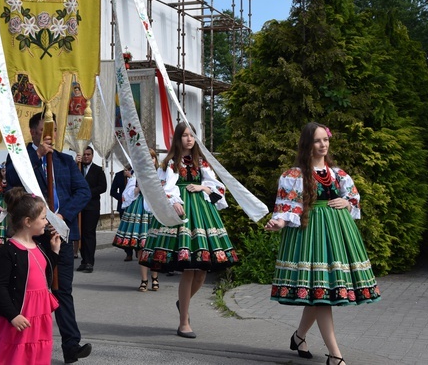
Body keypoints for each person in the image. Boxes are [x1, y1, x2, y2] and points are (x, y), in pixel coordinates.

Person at [264, 122, 381, 365]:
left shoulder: (338, 174)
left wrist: (347, 203)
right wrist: (279, 224)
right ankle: (335, 355)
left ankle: (299, 337)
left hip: (337, 236)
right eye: (317, 141)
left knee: (320, 293)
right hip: (309, 235)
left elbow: (353, 197)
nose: (323, 144)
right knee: (321, 294)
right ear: (307, 144)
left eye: (325, 140)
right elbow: (288, 207)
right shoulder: (293, 175)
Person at [5, 111, 93, 364]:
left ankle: (71, 346)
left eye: (53, 131)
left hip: (59, 235)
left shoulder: (65, 162)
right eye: (45, 131)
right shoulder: (19, 159)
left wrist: (62, 215)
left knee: (62, 290)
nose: (50, 136)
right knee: (28, 292)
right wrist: (37, 156)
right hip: (32, 239)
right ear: (33, 132)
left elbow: (83, 191)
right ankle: (24, 345)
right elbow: (12, 181)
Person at [139, 121, 237, 339]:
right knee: (189, 269)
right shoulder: (169, 163)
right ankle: (184, 321)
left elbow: (216, 187)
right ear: (178, 138)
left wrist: (202, 187)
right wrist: (174, 200)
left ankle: (182, 303)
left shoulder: (201, 162)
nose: (189, 139)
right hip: (182, 215)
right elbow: (164, 187)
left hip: (202, 213)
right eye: (184, 135)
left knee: (201, 272)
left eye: (192, 135)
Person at [0, 187, 61, 364]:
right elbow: (0, 286)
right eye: (42, 218)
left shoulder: (38, 245)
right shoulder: (8, 251)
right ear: (28, 221)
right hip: (21, 312)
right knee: (14, 355)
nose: (45, 222)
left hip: (39, 311)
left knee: (35, 355)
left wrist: (54, 253)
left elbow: (42, 273)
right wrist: (12, 315)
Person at [113, 148, 178, 291]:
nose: (150, 161)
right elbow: (126, 196)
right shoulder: (137, 174)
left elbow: (170, 189)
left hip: (155, 211)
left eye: (152, 158)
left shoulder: (161, 173)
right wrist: (137, 189)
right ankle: (144, 279)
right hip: (141, 211)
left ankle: (155, 278)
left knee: (154, 246)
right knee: (143, 247)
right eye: (147, 158)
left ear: (155, 160)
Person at [75, 146, 107, 273]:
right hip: (79, 207)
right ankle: (83, 260)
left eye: (88, 154)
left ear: (92, 156)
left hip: (91, 207)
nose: (86, 156)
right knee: (81, 234)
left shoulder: (98, 170)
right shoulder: (77, 168)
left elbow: (102, 187)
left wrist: (87, 192)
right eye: (84, 154)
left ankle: (89, 261)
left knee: (89, 234)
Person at [110, 164, 134, 261]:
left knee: (135, 229)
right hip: (123, 207)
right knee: (126, 230)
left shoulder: (137, 174)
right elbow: (113, 191)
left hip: (135, 206)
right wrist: (121, 197)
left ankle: (137, 249)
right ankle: (128, 253)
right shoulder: (119, 175)